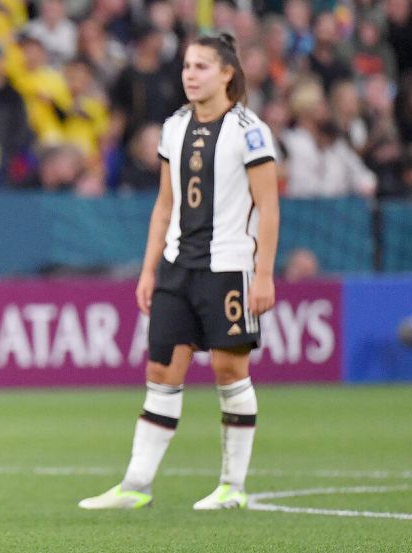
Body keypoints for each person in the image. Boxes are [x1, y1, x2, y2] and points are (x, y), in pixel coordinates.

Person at [78, 33, 280, 511]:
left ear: (227, 73)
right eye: (187, 66)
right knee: (161, 371)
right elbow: (165, 205)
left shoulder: (250, 131)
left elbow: (268, 208)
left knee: (230, 370)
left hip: (228, 267)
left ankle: (233, 485)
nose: (190, 74)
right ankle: (135, 485)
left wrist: (265, 273)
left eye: (202, 66)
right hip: (176, 268)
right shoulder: (173, 127)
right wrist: (149, 270)